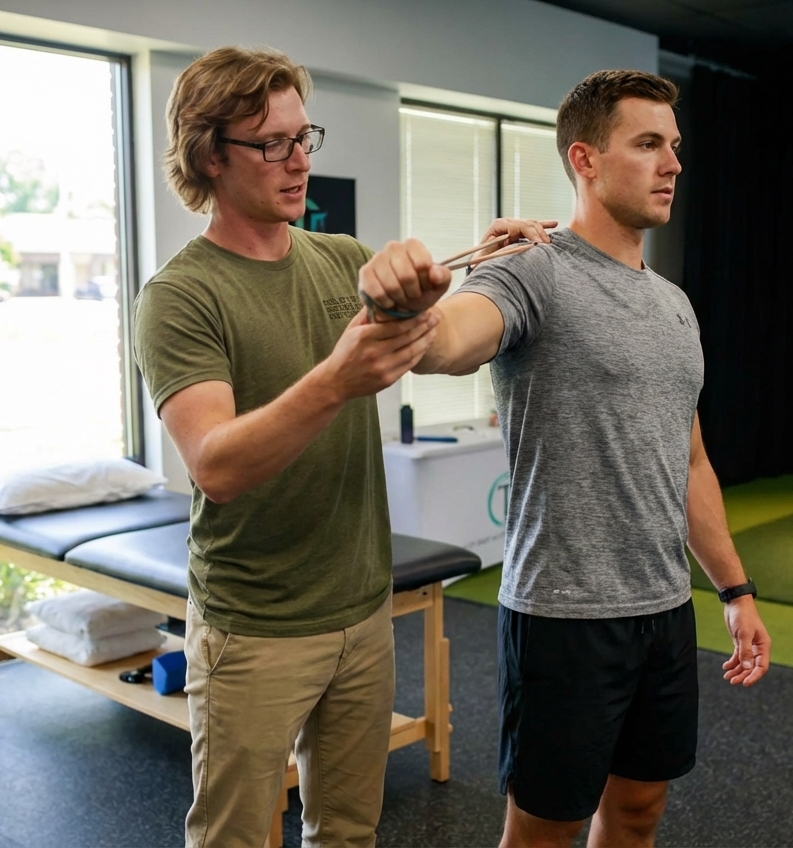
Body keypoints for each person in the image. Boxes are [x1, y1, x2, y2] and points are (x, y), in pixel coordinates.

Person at [133, 45, 543, 848]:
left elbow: (439, 338)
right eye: (272, 144)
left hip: (361, 608)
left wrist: (489, 264)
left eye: (302, 137)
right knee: (236, 838)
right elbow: (215, 465)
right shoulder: (180, 296)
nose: (299, 162)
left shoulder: (343, 259)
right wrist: (336, 378)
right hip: (253, 626)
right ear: (212, 155)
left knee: (349, 831)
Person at [358, 69, 772, 847]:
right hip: (564, 617)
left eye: (674, 146)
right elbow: (449, 341)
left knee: (641, 810)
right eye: (647, 144)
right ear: (584, 159)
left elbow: (690, 463)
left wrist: (735, 589)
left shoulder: (675, 304)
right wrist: (413, 305)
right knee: (545, 830)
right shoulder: (531, 268)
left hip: (663, 610)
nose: (672, 163)